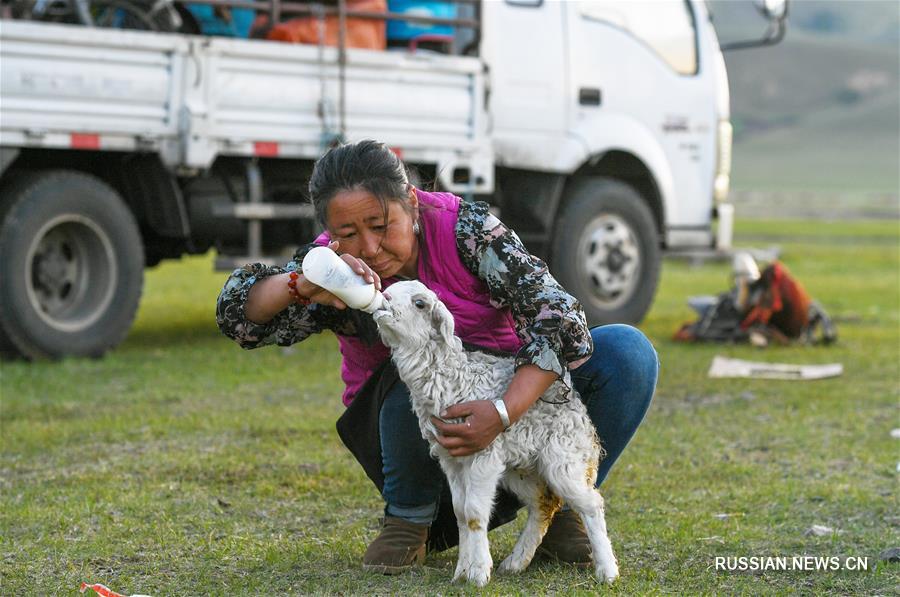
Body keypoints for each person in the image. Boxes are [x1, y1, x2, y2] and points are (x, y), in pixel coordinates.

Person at [216, 139, 659, 574]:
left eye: (380, 224)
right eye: (348, 234)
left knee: (627, 352)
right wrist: (301, 283)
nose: (368, 248)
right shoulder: (334, 267)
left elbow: (559, 316)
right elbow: (237, 313)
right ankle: (409, 520)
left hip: (520, 434)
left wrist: (502, 413)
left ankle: (558, 509)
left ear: (411, 202)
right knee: (411, 358)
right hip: (424, 457)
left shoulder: (469, 233)